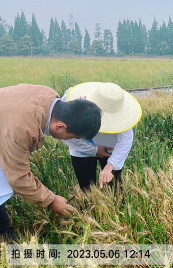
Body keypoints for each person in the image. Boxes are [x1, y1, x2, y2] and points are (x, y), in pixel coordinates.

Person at [0, 83, 102, 242]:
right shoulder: (21, 131)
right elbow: (18, 177)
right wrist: (51, 200)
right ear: (60, 126)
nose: (70, 141)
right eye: (72, 137)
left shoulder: (49, 95)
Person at [62, 82, 142, 191]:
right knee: (86, 188)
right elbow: (65, 134)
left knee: (115, 189)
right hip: (81, 149)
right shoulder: (73, 104)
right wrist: (94, 150)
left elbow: (125, 141)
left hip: (110, 149)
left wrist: (110, 165)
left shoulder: (122, 112)